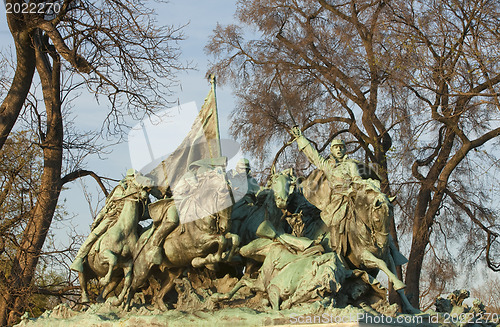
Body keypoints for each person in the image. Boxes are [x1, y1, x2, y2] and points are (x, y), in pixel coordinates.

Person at [70, 169, 156, 272]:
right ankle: (79, 259)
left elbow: (146, 214)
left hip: (131, 222)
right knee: (94, 235)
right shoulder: (120, 189)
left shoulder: (140, 192)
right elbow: (106, 208)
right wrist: (97, 221)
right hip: (113, 218)